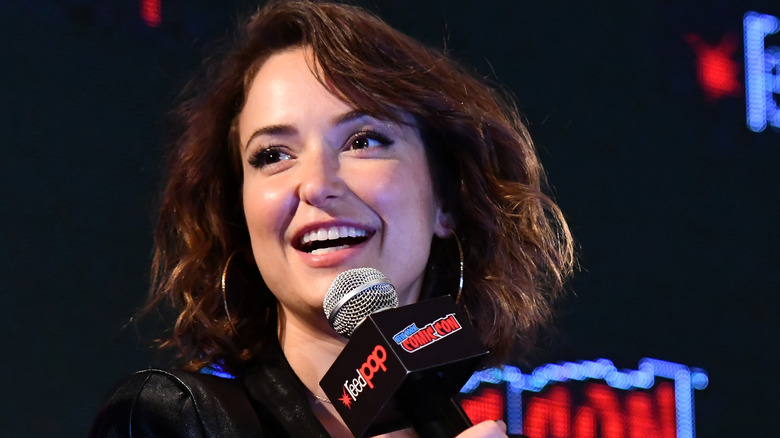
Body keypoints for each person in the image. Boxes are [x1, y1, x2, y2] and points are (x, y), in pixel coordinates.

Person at [89, 1, 574, 437]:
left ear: (447, 201)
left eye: (363, 141)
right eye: (273, 155)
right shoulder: (170, 422)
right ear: (240, 215)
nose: (317, 184)